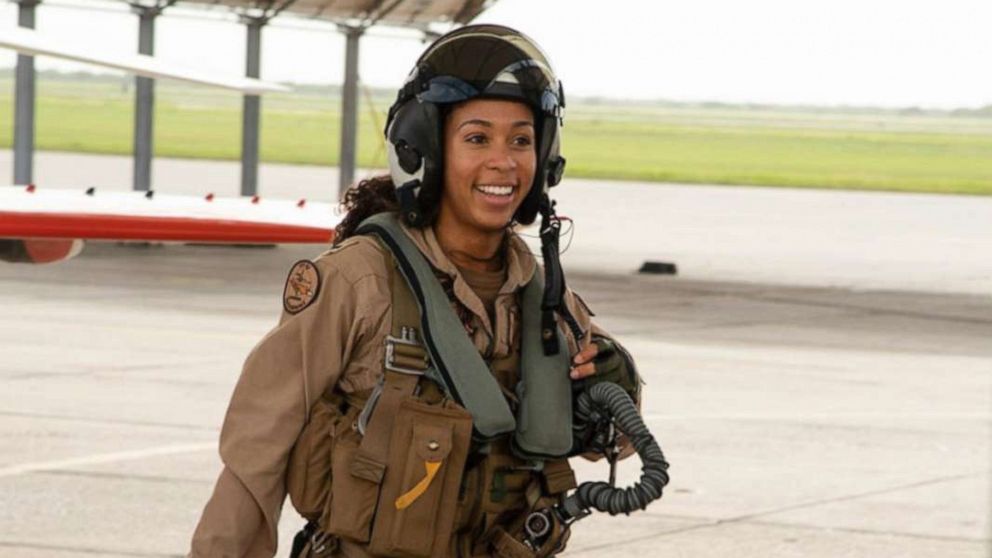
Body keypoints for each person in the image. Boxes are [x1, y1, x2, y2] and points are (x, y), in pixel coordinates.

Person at [189, 24, 641, 558]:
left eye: (522, 140)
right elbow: (256, 451)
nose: (504, 161)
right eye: (477, 138)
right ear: (425, 148)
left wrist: (616, 384)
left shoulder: (545, 299)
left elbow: (617, 442)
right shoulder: (359, 281)